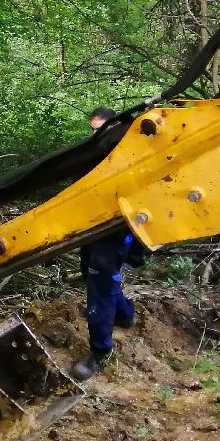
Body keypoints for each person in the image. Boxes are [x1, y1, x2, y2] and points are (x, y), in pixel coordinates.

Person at [72, 107, 149, 380]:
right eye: (94, 131)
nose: (98, 137)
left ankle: (100, 352)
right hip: (93, 230)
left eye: (102, 131)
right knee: (94, 276)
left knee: (100, 286)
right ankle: (125, 315)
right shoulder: (93, 159)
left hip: (116, 233)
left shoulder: (131, 158)